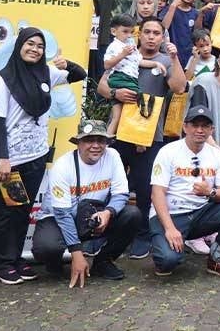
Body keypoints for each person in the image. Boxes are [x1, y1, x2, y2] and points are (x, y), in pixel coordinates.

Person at [0, 26, 86, 285]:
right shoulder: (2, 79)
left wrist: (67, 62)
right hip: (8, 160)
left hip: (35, 156)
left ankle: (16, 259)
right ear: (19, 46)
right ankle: (1, 265)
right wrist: (3, 158)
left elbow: (79, 74)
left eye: (40, 46)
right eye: (30, 44)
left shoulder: (47, 73)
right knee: (5, 213)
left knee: (22, 212)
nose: (35, 49)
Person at [98, 16, 186, 260]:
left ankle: (142, 235)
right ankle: (103, 232)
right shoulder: (125, 52)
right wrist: (117, 92)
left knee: (146, 189)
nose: (150, 36)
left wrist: (175, 58)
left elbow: (179, 87)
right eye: (146, 31)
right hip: (118, 134)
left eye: (156, 33)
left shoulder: (165, 61)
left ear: (162, 37)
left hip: (150, 136)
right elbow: (102, 87)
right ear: (139, 33)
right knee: (111, 186)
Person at [32, 119, 141, 286]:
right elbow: (62, 214)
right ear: (78, 143)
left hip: (93, 215)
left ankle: (103, 262)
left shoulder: (113, 156)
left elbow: (121, 194)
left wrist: (107, 213)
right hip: (59, 219)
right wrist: (76, 253)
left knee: (132, 215)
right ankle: (55, 262)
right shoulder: (62, 166)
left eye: (101, 140)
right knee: (47, 247)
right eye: (89, 140)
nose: (96, 145)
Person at [149, 102, 220, 278]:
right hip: (171, 215)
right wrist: (170, 228)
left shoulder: (218, 156)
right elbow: (157, 193)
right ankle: (163, 243)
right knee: (167, 263)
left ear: (212, 130)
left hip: (201, 213)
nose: (199, 130)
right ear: (185, 127)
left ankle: (216, 259)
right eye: (195, 125)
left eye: (205, 126)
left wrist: (210, 192)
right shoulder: (168, 151)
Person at [104, 14, 163, 138]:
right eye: (125, 32)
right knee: (140, 100)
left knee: (117, 115)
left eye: (131, 32)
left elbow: (138, 61)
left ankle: (108, 138)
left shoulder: (131, 46)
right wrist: (122, 54)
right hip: (121, 78)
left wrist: (155, 63)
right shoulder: (114, 46)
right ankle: (139, 141)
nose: (129, 35)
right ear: (114, 31)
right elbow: (107, 65)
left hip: (128, 79)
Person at [159, 0, 201, 64]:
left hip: (188, 56)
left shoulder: (195, 13)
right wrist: (173, 6)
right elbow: (163, 28)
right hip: (169, 54)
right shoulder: (168, 8)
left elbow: (197, 34)